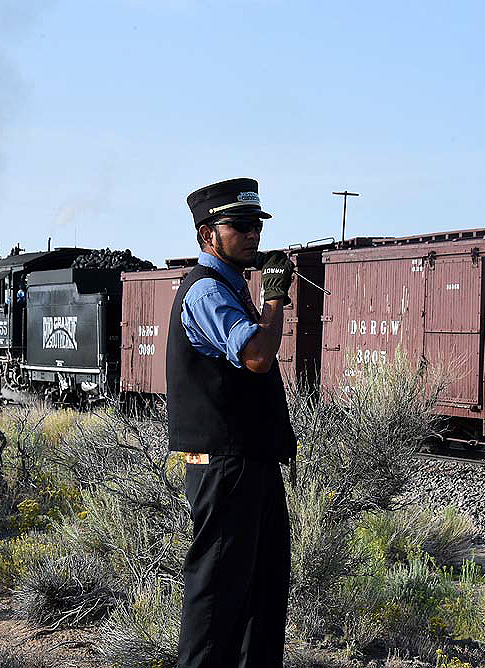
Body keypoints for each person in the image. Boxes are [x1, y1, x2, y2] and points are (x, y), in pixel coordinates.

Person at [167, 177, 297, 668]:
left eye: (256, 225)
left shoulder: (231, 288)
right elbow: (257, 356)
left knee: (263, 602)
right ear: (207, 235)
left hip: (252, 465)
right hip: (225, 467)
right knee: (216, 601)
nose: (252, 234)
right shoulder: (206, 292)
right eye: (239, 225)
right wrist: (276, 298)